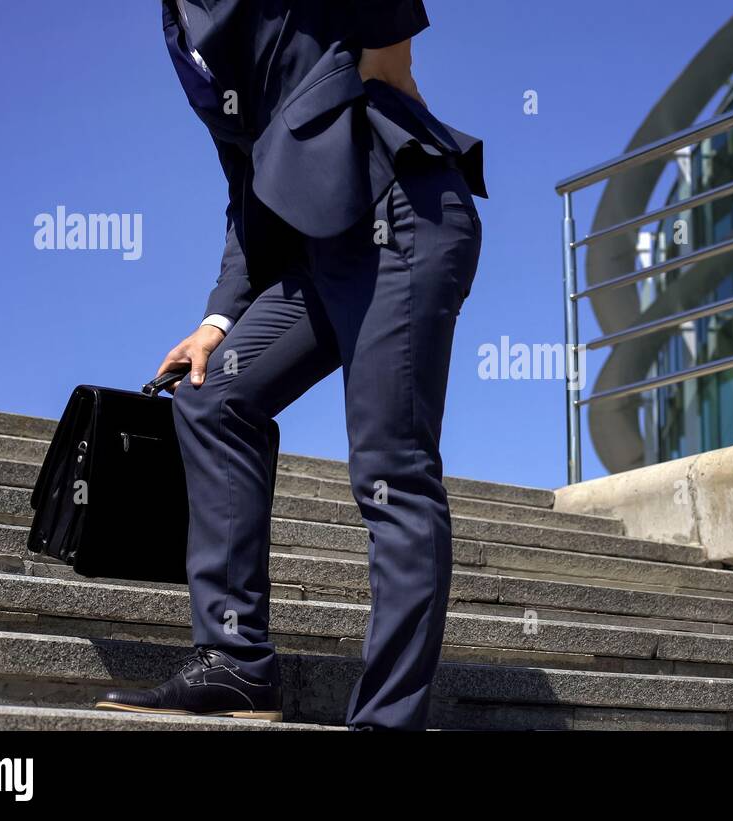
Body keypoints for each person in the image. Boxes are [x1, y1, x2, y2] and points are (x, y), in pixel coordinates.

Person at [95, 0, 484, 731]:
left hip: (397, 207)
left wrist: (386, 57)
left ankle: (386, 719)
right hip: (318, 248)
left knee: (390, 470)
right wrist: (218, 318)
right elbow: (250, 175)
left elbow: (386, 46)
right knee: (213, 399)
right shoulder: (178, 28)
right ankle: (237, 664)